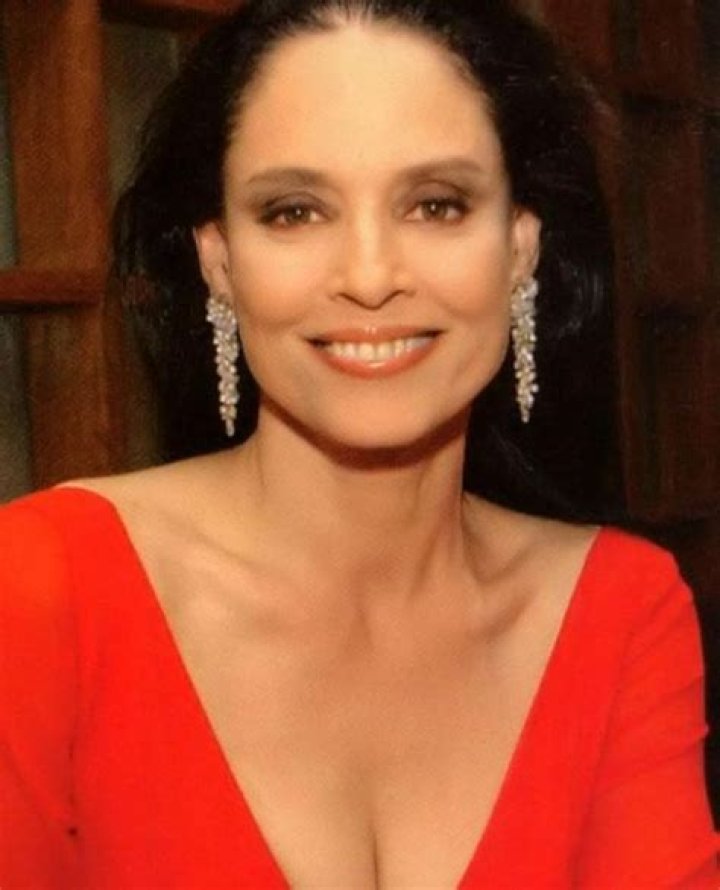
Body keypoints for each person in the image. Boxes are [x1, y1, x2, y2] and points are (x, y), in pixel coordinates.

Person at [1, 0, 717, 886]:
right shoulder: (42, 593)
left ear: (520, 248)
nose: (371, 277)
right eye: (296, 212)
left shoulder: (619, 611)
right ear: (219, 262)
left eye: (437, 205)